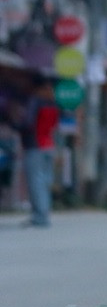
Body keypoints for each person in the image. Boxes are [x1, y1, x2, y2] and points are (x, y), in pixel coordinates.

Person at [20, 77, 60, 227]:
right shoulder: (54, 104)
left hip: (35, 145)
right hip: (49, 145)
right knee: (44, 182)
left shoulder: (34, 102)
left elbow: (27, 123)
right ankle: (44, 214)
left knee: (35, 182)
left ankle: (40, 216)